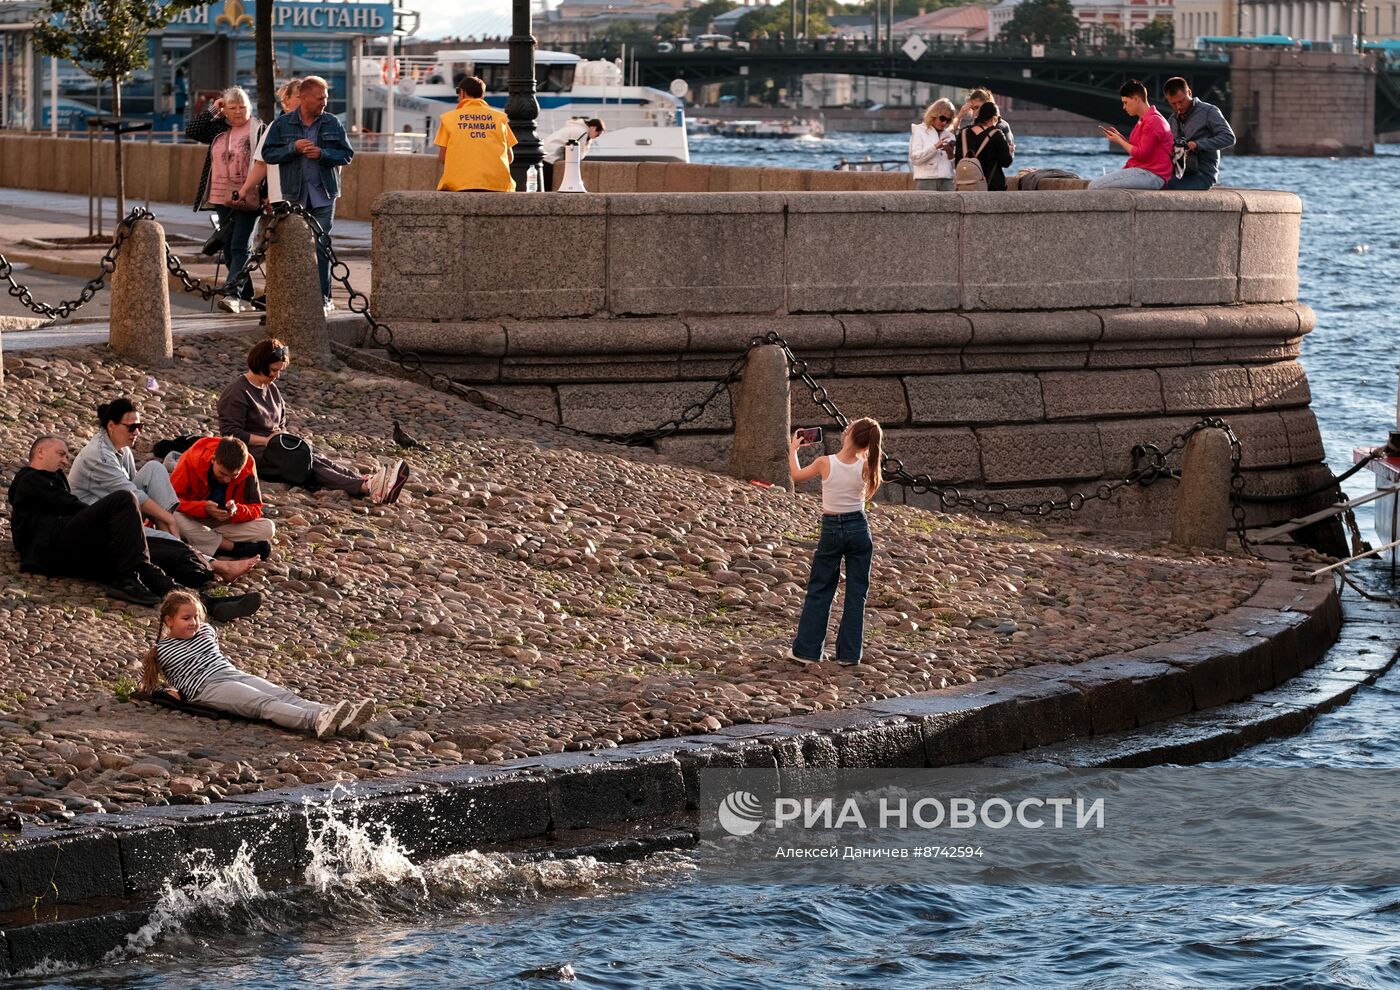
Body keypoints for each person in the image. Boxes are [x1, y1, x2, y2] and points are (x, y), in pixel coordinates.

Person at [67, 398, 260, 587]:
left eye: (140, 427)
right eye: (132, 428)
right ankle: (218, 566)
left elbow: (137, 488)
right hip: (96, 521)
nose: (137, 433)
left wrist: (166, 516)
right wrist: (169, 519)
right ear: (111, 426)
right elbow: (133, 494)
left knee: (154, 467)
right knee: (168, 535)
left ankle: (177, 540)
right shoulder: (99, 456)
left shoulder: (122, 449)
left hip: (121, 510)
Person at [140, 590, 374, 738]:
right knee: (264, 704)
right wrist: (165, 691)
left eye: (197, 618)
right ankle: (316, 720)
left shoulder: (207, 631)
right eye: (186, 618)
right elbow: (160, 685)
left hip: (230, 673)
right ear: (169, 620)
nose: (194, 623)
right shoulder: (162, 650)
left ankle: (337, 717)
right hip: (208, 687)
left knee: (286, 695)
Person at [217, 338, 409, 503]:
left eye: (280, 371)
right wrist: (268, 441)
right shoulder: (237, 392)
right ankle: (365, 487)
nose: (277, 376)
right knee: (306, 463)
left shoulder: (271, 388)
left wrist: (281, 438)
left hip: (275, 446)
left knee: (316, 457)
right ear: (259, 364)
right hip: (251, 452)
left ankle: (366, 481)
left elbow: (280, 423)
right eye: (273, 370)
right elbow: (231, 434)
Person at [10, 436, 166, 606]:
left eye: (66, 457)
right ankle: (130, 577)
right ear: (40, 452)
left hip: (65, 546)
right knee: (124, 498)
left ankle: (164, 585)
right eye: (60, 454)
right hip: (50, 545)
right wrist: (105, 517)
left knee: (138, 548)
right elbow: (70, 506)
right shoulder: (30, 479)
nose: (65, 461)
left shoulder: (53, 480)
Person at [788, 418, 884, 666]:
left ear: (849, 435)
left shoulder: (824, 462)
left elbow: (797, 476)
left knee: (820, 589)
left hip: (832, 529)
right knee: (856, 593)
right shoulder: (867, 466)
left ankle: (806, 652)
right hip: (859, 529)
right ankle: (849, 655)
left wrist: (793, 450)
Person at [260, 75, 356, 313]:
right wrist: (294, 148)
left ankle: (324, 298)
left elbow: (347, 155)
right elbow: (268, 154)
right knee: (294, 248)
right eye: (320, 97)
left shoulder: (332, 122)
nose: (325, 102)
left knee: (321, 246)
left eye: (326, 97)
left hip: (323, 195)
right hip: (294, 197)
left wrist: (322, 154)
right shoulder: (282, 125)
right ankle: (295, 298)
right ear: (303, 97)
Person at [186, 86, 265, 314]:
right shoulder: (219, 129)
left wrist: (268, 195)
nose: (239, 112)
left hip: (250, 196)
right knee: (229, 249)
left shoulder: (260, 130)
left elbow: (268, 164)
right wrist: (214, 108)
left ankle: (232, 295)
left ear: (250, 107)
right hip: (220, 197)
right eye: (233, 107)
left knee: (241, 244)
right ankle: (247, 296)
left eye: (243, 106)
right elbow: (192, 130)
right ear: (226, 110)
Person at [170, 436, 276, 561]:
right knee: (173, 518)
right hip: (192, 517)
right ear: (213, 459)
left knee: (268, 528)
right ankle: (233, 548)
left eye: (234, 476)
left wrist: (237, 511)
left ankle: (203, 544)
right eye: (223, 473)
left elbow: (256, 508)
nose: (226, 480)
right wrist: (203, 508)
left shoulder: (248, 464)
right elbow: (170, 501)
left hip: (219, 523)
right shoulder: (192, 458)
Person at [435, 75, 516, 193]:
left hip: (459, 185)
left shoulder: (448, 119)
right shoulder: (500, 118)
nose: (458, 97)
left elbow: (443, 158)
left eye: (458, 92)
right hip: (498, 185)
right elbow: (509, 158)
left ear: (462, 92)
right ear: (482, 96)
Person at [1088, 80, 1172, 190]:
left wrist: (1120, 141)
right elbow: (1140, 149)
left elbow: (1142, 154)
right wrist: (1120, 138)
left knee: (1094, 186)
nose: (1124, 107)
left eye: (1126, 102)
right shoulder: (1145, 120)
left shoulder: (1153, 121)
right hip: (1145, 171)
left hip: (1152, 175)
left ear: (1136, 99)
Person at [236, 78, 302, 212]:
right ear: (286, 101)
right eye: (300, 97)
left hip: (314, 195)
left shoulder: (323, 124)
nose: (305, 101)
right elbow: (261, 164)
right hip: (282, 196)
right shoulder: (276, 127)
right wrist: (244, 190)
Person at [1162, 76, 1236, 191]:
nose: (1178, 107)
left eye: (1181, 101)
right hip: (1180, 173)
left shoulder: (1209, 111)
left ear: (1189, 93)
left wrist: (1198, 145)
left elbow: (1229, 137)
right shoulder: (1172, 119)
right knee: (1155, 183)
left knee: (1168, 187)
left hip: (1202, 174)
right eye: (1173, 103)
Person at [955, 102, 1014, 192]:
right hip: (991, 186)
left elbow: (958, 162)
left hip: (966, 186)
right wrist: (1011, 151)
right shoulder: (996, 134)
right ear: (994, 118)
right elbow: (1006, 162)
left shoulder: (963, 133)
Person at [540, 116, 604, 190]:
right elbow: (577, 155)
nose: (597, 137)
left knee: (543, 186)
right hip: (550, 156)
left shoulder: (575, 127)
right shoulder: (582, 132)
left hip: (544, 152)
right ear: (593, 128)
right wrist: (587, 142)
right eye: (598, 134)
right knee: (547, 187)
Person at [909, 98, 958, 191]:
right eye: (942, 118)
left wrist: (951, 155)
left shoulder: (950, 136)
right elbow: (915, 159)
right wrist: (935, 147)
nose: (944, 123)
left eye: (948, 120)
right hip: (925, 181)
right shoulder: (919, 131)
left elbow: (956, 167)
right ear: (934, 115)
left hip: (947, 182)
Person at [956, 88, 1015, 156]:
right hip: (974, 165)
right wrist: (960, 116)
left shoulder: (1002, 125)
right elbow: (956, 143)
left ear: (987, 105)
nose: (975, 112)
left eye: (977, 107)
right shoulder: (971, 127)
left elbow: (1009, 155)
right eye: (973, 109)